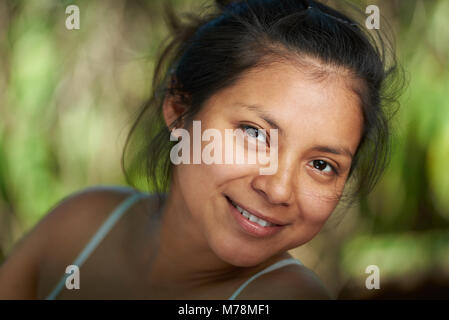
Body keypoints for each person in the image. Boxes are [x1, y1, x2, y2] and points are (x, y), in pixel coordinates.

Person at [0, 0, 402, 299]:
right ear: (179, 110)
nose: (278, 189)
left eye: (321, 164)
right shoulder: (82, 225)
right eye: (255, 133)